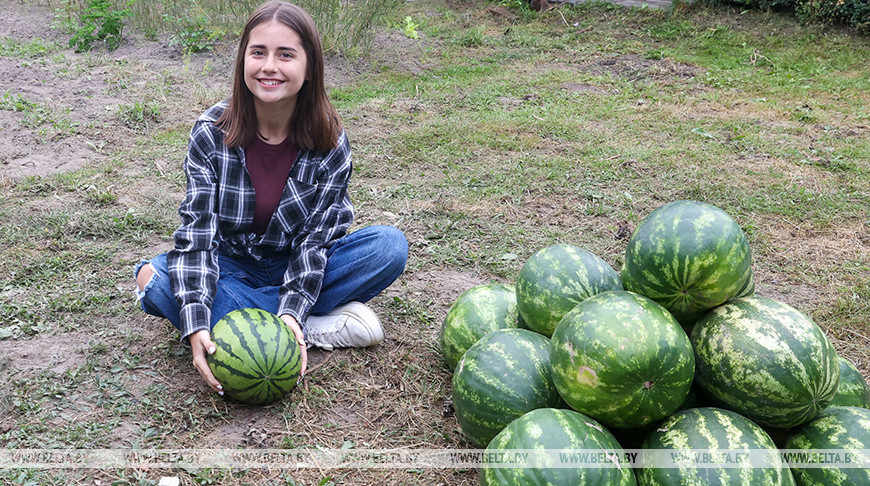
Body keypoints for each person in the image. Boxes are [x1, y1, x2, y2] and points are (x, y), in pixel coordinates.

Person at [133, 1, 408, 396]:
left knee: (388, 246)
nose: (269, 67)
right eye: (258, 52)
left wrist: (293, 302)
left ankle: (283, 319)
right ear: (242, 59)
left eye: (286, 54)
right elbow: (197, 236)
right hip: (229, 265)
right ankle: (309, 326)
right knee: (153, 278)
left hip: (297, 264)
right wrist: (195, 320)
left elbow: (315, 243)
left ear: (309, 66)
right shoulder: (211, 133)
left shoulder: (330, 141)